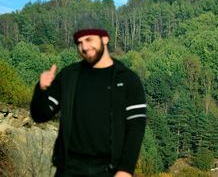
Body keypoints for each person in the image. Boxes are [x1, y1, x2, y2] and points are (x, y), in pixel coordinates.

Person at [30, 16, 146, 177]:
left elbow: (136, 127)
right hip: (68, 170)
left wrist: (126, 169)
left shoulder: (127, 79)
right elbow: (40, 115)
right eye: (79, 42)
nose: (84, 46)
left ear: (105, 39)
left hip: (109, 171)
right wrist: (41, 89)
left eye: (89, 39)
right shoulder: (68, 77)